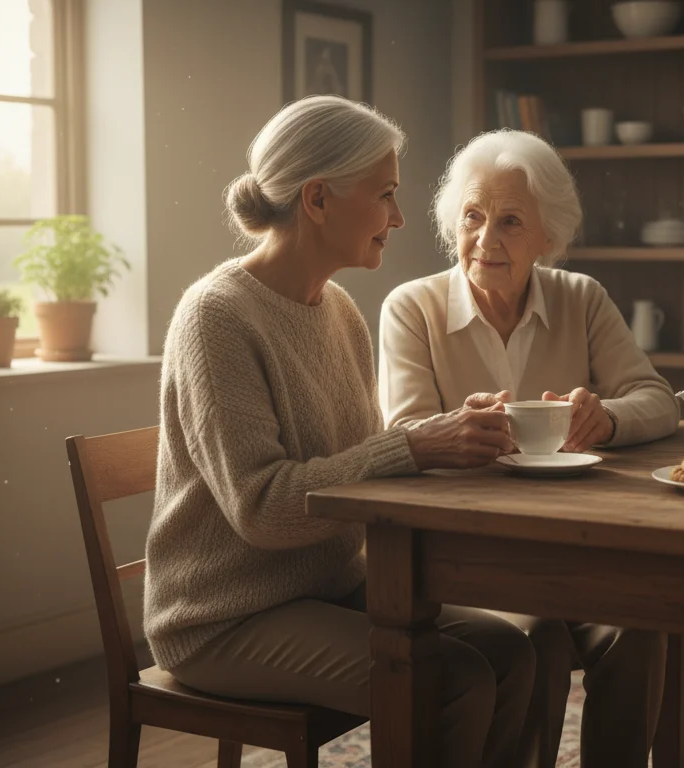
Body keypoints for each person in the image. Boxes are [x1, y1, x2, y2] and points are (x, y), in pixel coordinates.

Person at [144, 96, 535, 768]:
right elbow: (261, 510)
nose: (400, 217)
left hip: (327, 588)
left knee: (514, 653)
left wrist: (449, 438)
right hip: (222, 618)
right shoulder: (216, 318)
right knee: (454, 681)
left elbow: (360, 462)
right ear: (318, 199)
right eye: (385, 194)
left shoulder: (341, 311)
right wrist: (413, 445)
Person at [378, 129, 680, 768]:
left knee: (639, 625)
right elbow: (404, 435)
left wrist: (606, 418)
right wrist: (457, 436)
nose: (486, 239)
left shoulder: (582, 298)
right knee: (537, 635)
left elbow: (655, 399)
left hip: (574, 548)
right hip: (464, 559)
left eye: (510, 221)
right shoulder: (413, 309)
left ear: (550, 237)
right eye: (472, 216)